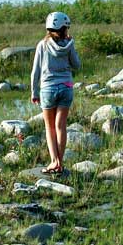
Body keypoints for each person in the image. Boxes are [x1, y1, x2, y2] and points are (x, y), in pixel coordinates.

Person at [30, 11, 81, 174]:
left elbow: (35, 72)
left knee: (49, 127)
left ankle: (54, 161)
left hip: (48, 89)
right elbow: (77, 65)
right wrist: (71, 46)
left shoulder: (42, 45)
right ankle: (61, 163)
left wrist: (34, 92)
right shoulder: (69, 44)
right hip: (66, 87)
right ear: (64, 28)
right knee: (61, 127)